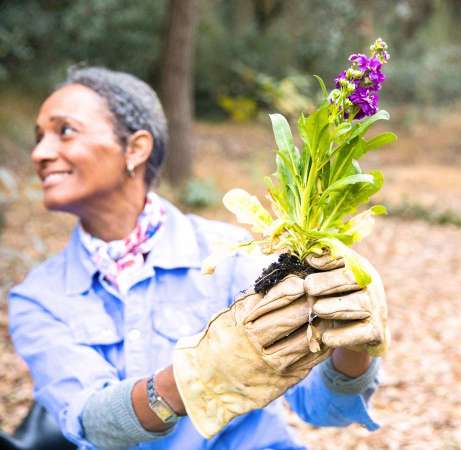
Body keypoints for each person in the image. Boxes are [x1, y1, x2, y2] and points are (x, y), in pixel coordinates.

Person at [8, 67, 387, 450]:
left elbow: (322, 410)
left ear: (136, 148)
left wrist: (351, 346)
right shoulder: (39, 298)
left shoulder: (229, 255)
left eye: (65, 131)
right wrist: (197, 376)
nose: (40, 153)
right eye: (38, 138)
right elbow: (92, 422)